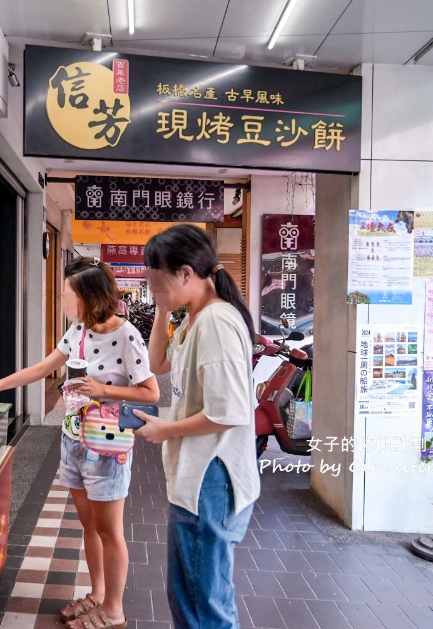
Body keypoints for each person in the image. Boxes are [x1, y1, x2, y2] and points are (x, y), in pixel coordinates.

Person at [0, 257, 159, 629]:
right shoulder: (77, 330)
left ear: (89, 296)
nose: (61, 298)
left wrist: (102, 389)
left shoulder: (127, 335)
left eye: (66, 293)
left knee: (110, 531)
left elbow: (151, 392)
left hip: (106, 446)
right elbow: (43, 368)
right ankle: (97, 594)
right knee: (88, 527)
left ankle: (114, 610)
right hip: (73, 439)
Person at [133, 224, 259, 629]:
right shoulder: (193, 319)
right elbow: (155, 363)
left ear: (186, 273)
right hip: (198, 473)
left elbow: (230, 411)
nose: (152, 289)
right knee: (187, 593)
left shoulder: (215, 323)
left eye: (157, 280)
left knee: (205, 603)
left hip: (213, 476)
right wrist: (163, 309)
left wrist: (164, 430)